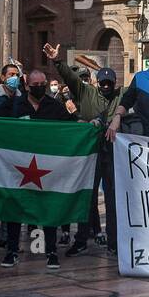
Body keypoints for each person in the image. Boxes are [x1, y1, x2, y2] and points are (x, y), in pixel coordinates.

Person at [46, 44, 120, 256]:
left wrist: (114, 119)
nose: (105, 86)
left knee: (112, 199)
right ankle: (81, 239)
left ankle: (114, 241)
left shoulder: (119, 97)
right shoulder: (86, 92)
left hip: (112, 154)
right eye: (103, 82)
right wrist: (57, 61)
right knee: (86, 198)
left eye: (109, 83)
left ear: (114, 84)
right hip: (88, 154)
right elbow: (70, 77)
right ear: (97, 82)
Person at [0, 68, 73, 269]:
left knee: (48, 208)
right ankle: (12, 251)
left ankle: (51, 252)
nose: (39, 88)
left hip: (46, 167)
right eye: (35, 85)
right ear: (27, 86)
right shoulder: (15, 105)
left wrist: (89, 125)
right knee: (15, 207)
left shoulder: (54, 106)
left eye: (43, 85)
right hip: (19, 165)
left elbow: (73, 124)